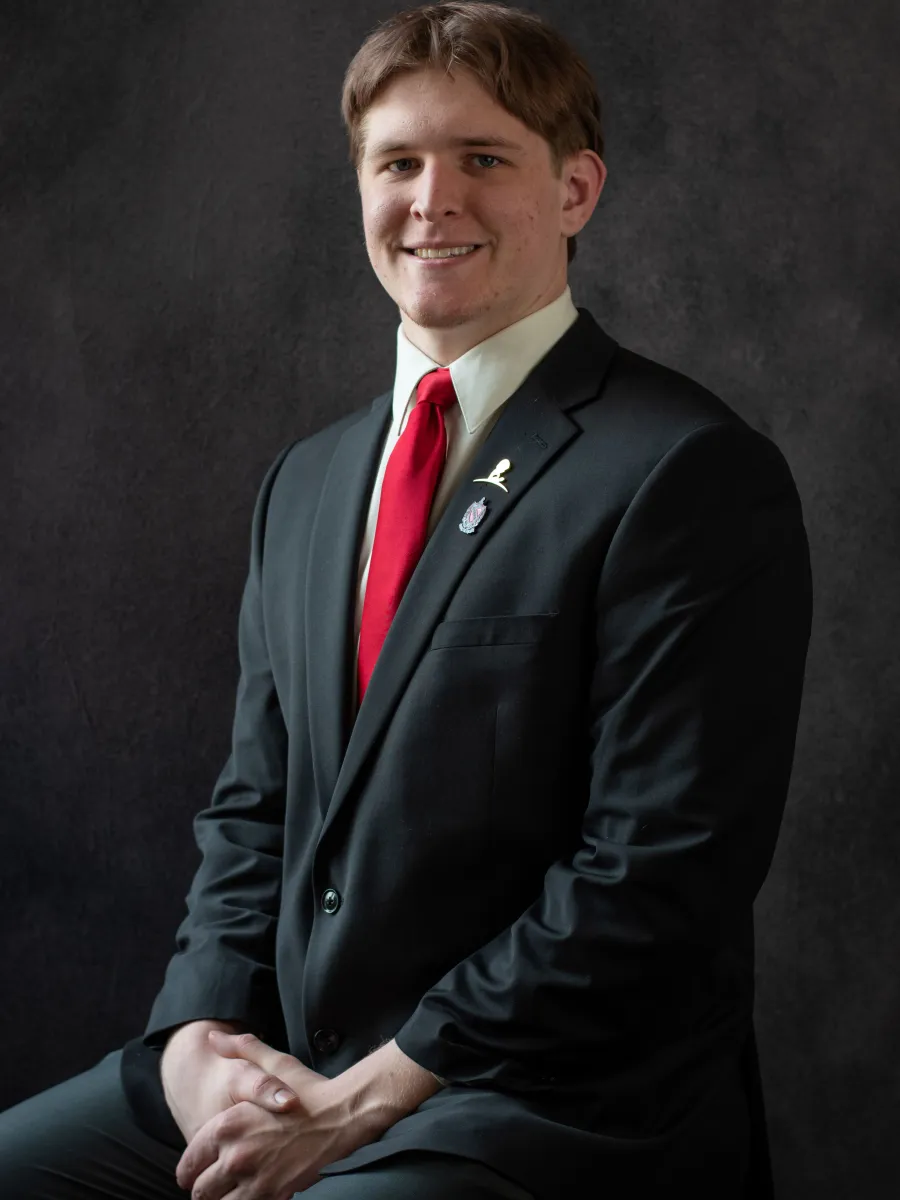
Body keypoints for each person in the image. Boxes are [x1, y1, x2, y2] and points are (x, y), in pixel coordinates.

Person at [0, 3, 813, 1198]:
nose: (433, 200)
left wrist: (370, 1091)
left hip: (538, 1098)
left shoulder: (685, 471)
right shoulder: (308, 482)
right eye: (398, 163)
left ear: (577, 190)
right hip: (292, 1063)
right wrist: (194, 1044)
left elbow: (654, 877)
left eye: (483, 158)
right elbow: (252, 816)